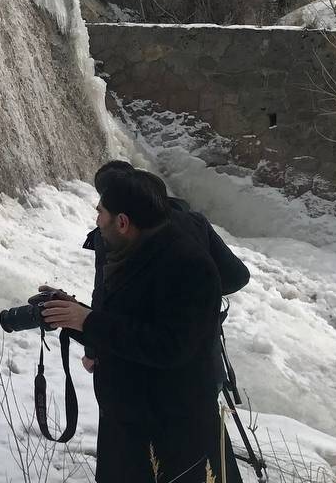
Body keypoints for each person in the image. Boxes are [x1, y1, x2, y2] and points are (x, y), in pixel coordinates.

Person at [41, 170, 230, 482]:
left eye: (100, 212)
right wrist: (71, 315)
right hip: (129, 422)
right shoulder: (135, 253)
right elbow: (126, 325)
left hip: (167, 429)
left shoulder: (187, 265)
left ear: (123, 222)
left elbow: (169, 346)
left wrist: (87, 319)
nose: (97, 220)